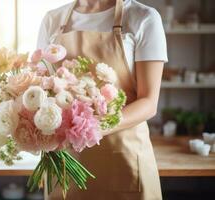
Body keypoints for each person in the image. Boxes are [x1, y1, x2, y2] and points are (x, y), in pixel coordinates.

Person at [37, 0, 167, 199]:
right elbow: (42, 89)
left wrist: (89, 128)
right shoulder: (52, 20)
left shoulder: (143, 18)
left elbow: (148, 102)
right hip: (66, 163)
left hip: (123, 160)